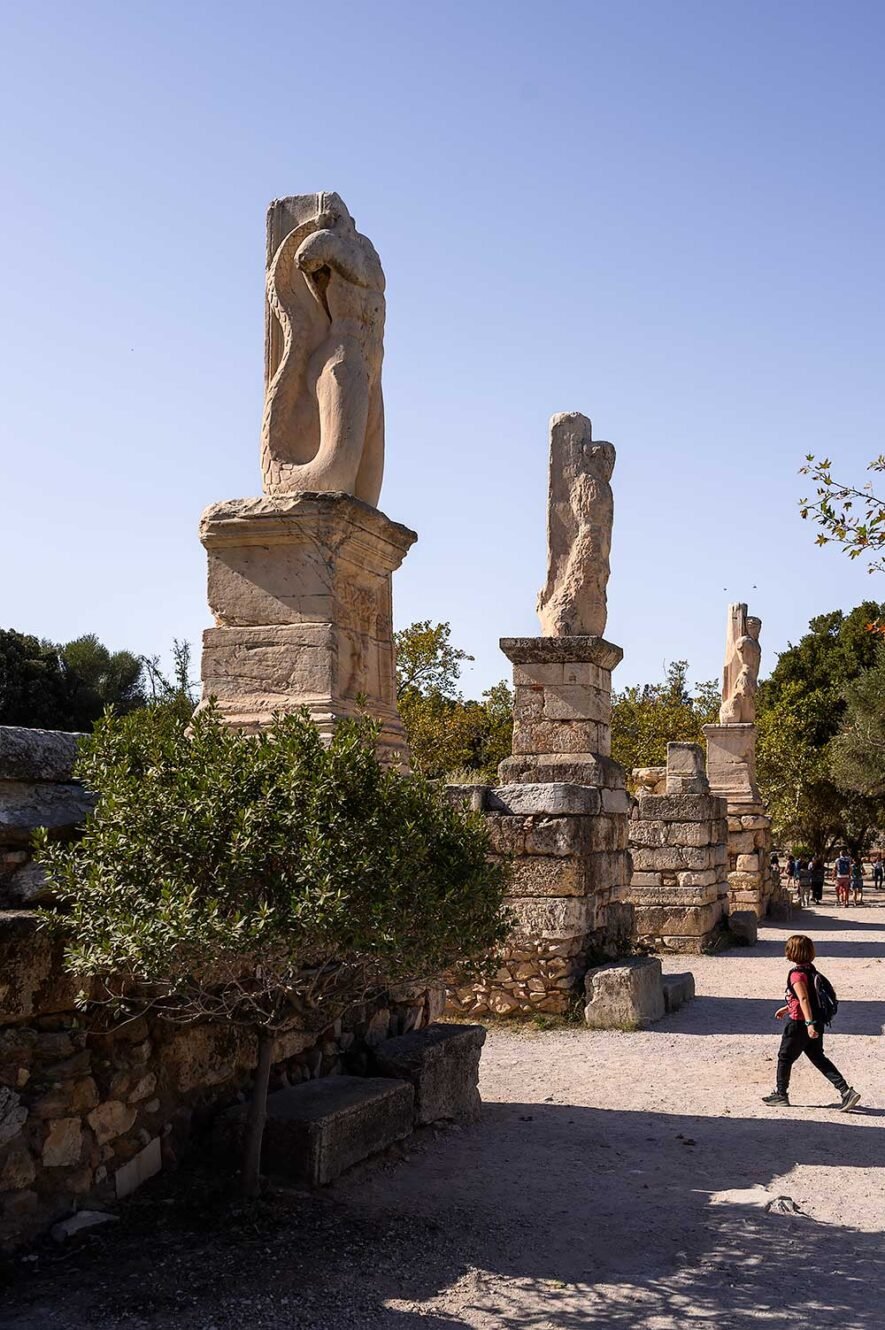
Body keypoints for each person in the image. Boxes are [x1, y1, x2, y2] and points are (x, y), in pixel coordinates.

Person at [762, 934, 860, 1111]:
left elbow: (804, 998)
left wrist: (809, 1025)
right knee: (818, 1057)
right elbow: (806, 999)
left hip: (801, 1024)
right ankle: (846, 1091)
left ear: (791, 953)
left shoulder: (796, 975)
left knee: (784, 1057)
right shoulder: (812, 971)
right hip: (816, 1020)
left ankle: (781, 1094)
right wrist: (787, 1009)